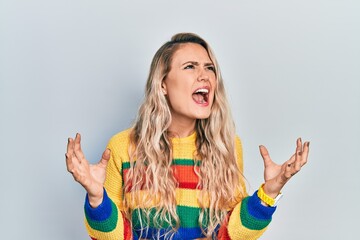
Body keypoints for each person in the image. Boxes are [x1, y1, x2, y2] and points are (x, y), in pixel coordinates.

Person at [66, 33, 310, 240]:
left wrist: (269, 191)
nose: (204, 75)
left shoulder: (228, 147)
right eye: (190, 67)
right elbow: (116, 236)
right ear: (162, 84)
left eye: (209, 68)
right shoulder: (123, 147)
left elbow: (231, 233)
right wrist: (97, 198)